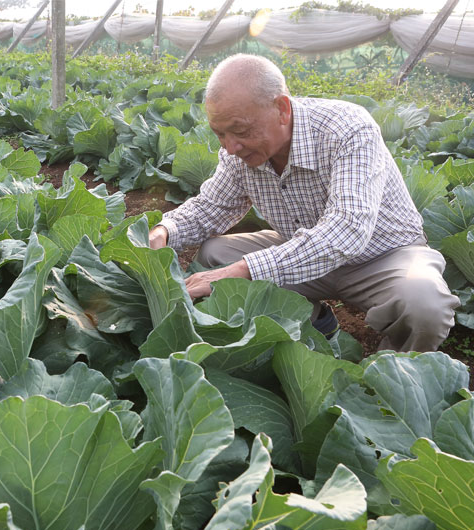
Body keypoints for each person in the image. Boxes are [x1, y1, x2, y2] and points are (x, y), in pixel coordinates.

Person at [148, 54, 459, 352]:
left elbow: (347, 230)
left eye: (240, 131)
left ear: (282, 109)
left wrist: (245, 269)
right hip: (303, 253)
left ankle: (391, 372)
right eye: (220, 134)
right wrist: (164, 231)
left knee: (425, 305)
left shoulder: (348, 129)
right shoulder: (238, 152)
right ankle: (313, 322)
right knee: (216, 254)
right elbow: (212, 207)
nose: (230, 147)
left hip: (382, 258)